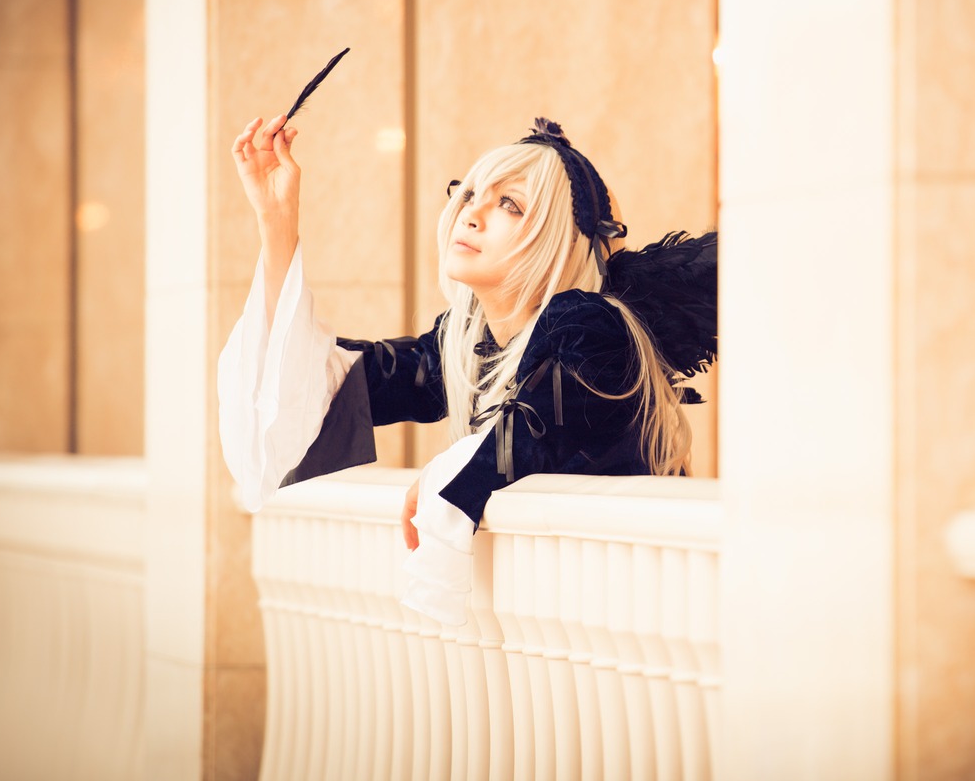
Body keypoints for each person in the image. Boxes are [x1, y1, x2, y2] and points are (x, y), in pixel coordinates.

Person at [218, 107, 715, 625]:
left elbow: (532, 434)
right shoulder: (465, 337)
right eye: (471, 194)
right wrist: (277, 221)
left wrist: (445, 472)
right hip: (568, 617)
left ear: (562, 242)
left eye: (511, 205)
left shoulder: (591, 326)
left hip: (635, 614)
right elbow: (323, 381)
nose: (471, 214)